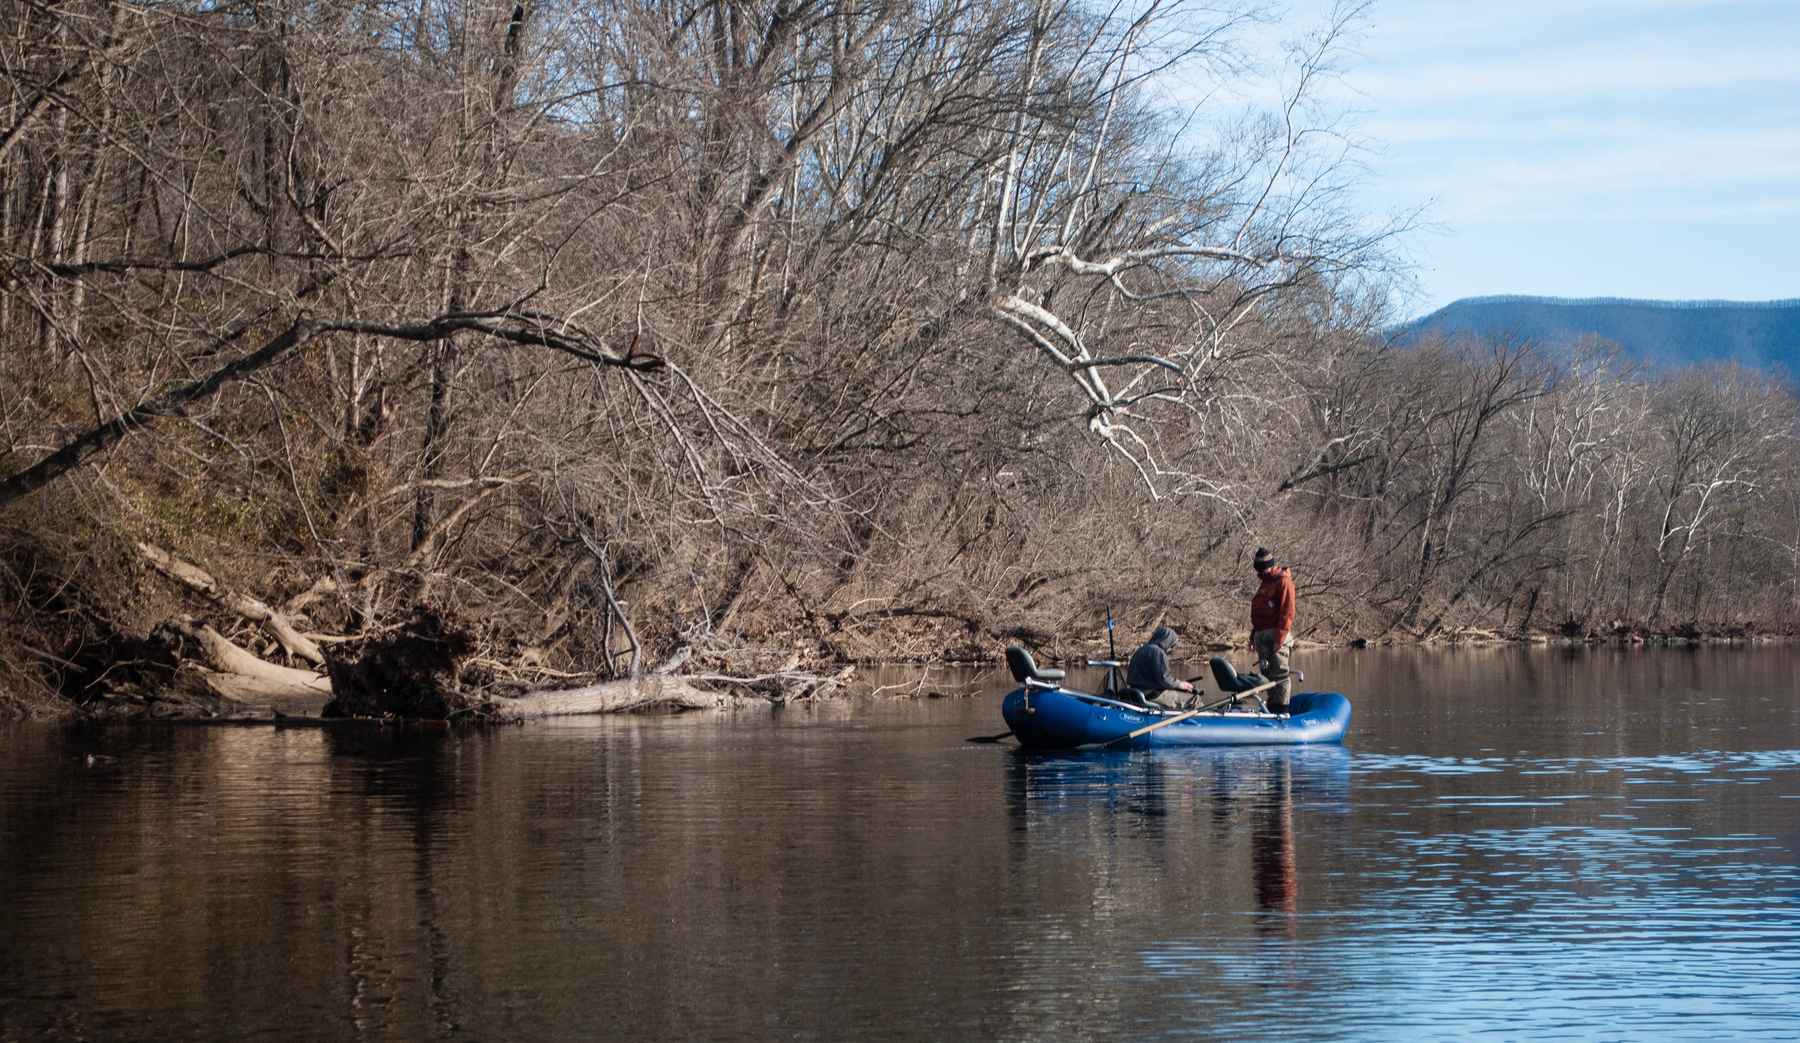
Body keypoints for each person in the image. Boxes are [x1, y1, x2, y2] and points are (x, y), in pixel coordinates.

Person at [1248, 547, 1296, 714]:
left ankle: (1281, 710)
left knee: (1280, 676)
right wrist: (1253, 635)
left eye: (1263, 569)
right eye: (1258, 570)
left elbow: (1287, 612)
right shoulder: (1265, 583)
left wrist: (1279, 639)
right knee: (1267, 675)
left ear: (1271, 566)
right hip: (1261, 636)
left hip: (1277, 637)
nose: (1260, 573)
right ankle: (1271, 708)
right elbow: (1260, 612)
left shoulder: (1283, 582)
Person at [1125, 625, 1194, 706]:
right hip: (1151, 695)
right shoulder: (1158, 652)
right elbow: (1164, 679)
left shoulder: (1140, 650)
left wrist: (1176, 683)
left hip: (1134, 692)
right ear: (1167, 640)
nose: (1171, 647)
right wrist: (1180, 684)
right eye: (1172, 644)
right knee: (1194, 698)